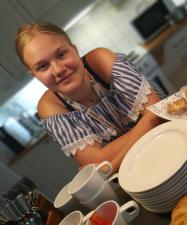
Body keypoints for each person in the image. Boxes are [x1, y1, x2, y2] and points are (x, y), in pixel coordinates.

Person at [15, 21, 163, 172]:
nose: (58, 70)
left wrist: (109, 164)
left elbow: (159, 113)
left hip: (171, 137)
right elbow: (98, 165)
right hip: (135, 172)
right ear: (35, 75)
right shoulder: (49, 108)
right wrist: (148, 120)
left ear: (74, 49)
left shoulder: (100, 59)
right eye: (43, 66)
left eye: (61, 54)